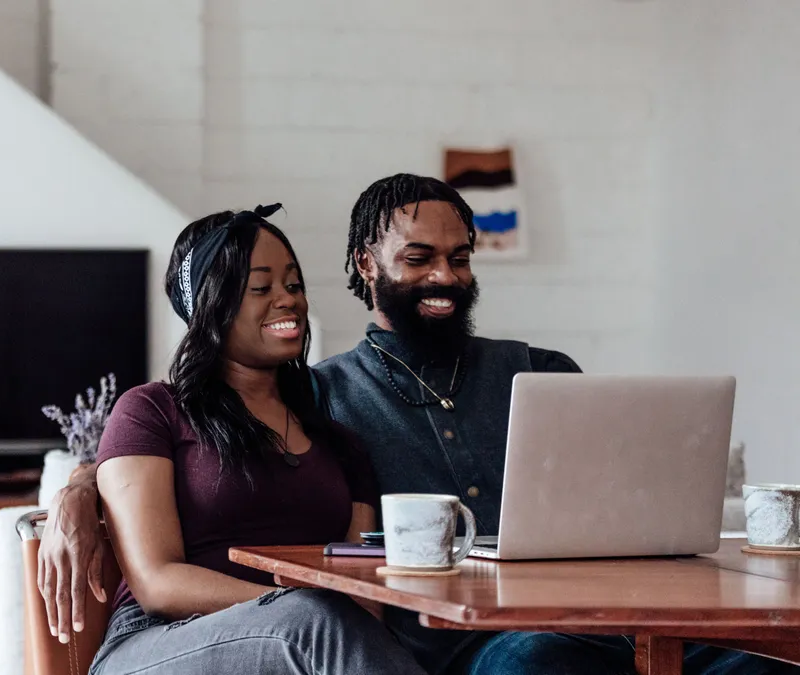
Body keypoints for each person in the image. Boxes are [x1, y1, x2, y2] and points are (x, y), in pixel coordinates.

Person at [40, 175, 798, 675]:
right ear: (367, 266)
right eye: (420, 256)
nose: (445, 274)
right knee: (520, 658)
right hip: (439, 643)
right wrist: (76, 487)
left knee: (756, 665)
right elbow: (156, 545)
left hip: (582, 623)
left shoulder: (345, 424)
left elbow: (358, 570)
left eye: (460, 257)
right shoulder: (324, 397)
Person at [70, 205, 425, 675]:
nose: (288, 300)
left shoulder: (340, 442)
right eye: (261, 287)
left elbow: (361, 594)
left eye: (293, 285)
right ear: (211, 307)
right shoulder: (152, 411)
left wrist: (319, 613)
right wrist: (295, 606)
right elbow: (157, 583)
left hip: (311, 641)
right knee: (313, 621)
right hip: (159, 643)